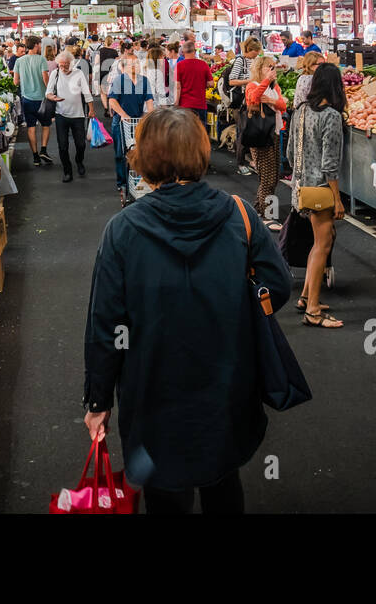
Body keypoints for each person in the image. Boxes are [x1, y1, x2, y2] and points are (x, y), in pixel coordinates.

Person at [82, 106, 292, 514]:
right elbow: (277, 286)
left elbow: (105, 324)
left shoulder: (123, 230)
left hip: (153, 386)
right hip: (229, 379)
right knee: (223, 477)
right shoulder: (240, 215)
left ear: (144, 157)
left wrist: (98, 401)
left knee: (164, 491)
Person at [288, 62, 347, 327]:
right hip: (321, 190)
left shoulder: (300, 111)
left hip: (300, 187)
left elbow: (289, 152)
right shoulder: (332, 116)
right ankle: (313, 310)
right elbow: (330, 165)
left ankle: (305, 297)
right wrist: (337, 199)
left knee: (321, 241)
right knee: (322, 245)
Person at [245, 54, 287, 228]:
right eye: (268, 67)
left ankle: (258, 209)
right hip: (261, 135)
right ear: (259, 68)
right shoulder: (252, 85)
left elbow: (283, 106)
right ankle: (268, 215)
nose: (272, 70)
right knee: (268, 178)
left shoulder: (274, 87)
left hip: (275, 133)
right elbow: (253, 99)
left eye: (273, 66)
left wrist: (271, 100)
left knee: (272, 176)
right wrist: (265, 84)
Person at [107, 54, 154, 205]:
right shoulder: (119, 80)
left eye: (136, 63)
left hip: (137, 121)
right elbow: (112, 100)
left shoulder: (143, 81)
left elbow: (149, 100)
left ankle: (137, 182)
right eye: (130, 63)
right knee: (121, 154)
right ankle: (122, 183)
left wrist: (151, 116)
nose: (134, 66)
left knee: (139, 153)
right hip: (121, 122)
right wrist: (123, 114)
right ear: (124, 66)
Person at [46, 49, 93, 182]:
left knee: (81, 145)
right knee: (62, 145)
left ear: (71, 63)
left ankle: (79, 161)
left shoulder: (78, 74)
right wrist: (53, 98)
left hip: (78, 115)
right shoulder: (55, 74)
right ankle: (67, 171)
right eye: (61, 65)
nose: (63, 67)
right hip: (61, 115)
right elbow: (48, 93)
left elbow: (86, 92)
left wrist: (91, 109)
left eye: (66, 64)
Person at [13, 36, 53, 167]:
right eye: (39, 44)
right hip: (42, 99)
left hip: (27, 99)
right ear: (36, 45)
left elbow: (15, 82)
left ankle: (35, 157)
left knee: (31, 127)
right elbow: (45, 78)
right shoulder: (41, 59)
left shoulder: (19, 61)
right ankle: (43, 150)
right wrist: (51, 91)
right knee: (46, 125)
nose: (40, 46)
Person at [227, 38, 261, 176]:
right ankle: (240, 163)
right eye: (255, 51)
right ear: (248, 49)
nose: (257, 53)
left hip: (254, 101)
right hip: (242, 102)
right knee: (243, 131)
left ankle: (253, 161)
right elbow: (231, 81)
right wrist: (250, 81)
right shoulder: (240, 61)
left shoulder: (256, 61)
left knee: (254, 131)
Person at [173, 39, 214, 143]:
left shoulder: (179, 66)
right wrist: (201, 83)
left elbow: (178, 87)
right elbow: (211, 84)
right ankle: (201, 155)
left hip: (185, 105)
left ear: (183, 52)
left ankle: (186, 156)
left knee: (185, 132)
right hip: (200, 104)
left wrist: (176, 103)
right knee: (200, 132)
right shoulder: (203, 64)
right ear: (195, 51)